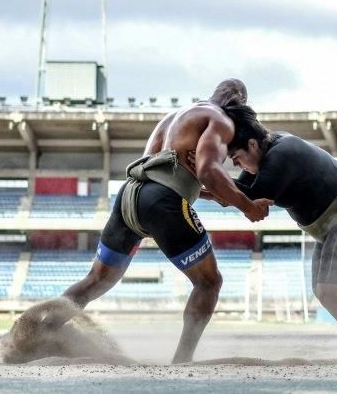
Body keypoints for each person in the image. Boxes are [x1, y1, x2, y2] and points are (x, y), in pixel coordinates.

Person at [27, 79, 273, 364]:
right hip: (162, 202)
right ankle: (182, 359)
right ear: (239, 105)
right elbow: (206, 170)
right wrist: (247, 206)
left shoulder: (174, 119)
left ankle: (40, 336)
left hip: (129, 198)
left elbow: (154, 167)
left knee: (96, 280)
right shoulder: (220, 122)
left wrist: (209, 194)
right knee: (209, 282)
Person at [222, 108, 337, 360]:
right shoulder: (267, 153)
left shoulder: (281, 154)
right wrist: (202, 181)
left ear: (252, 144)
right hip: (336, 221)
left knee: (330, 291)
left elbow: (246, 196)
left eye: (236, 158)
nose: (236, 165)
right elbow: (235, 190)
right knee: (331, 289)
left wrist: (204, 178)